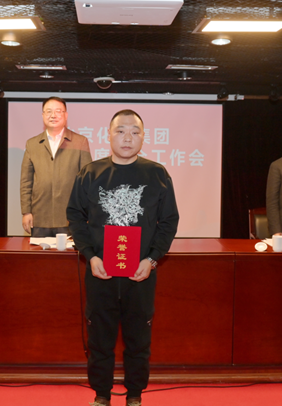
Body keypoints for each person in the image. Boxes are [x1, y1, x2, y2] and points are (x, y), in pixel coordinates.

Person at [67, 109, 179, 406]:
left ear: (143, 137)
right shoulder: (90, 173)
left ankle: (134, 394)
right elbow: (75, 216)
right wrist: (90, 256)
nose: (127, 138)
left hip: (140, 273)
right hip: (100, 271)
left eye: (134, 132)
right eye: (120, 131)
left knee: (138, 340)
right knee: (100, 339)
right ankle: (102, 394)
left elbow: (169, 221)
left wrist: (151, 259)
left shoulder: (157, 174)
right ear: (108, 135)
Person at [20, 96, 92, 237]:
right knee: (39, 252)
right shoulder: (32, 144)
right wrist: (26, 212)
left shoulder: (80, 142)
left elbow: (87, 181)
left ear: (66, 115)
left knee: (70, 252)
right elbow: (26, 181)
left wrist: (87, 212)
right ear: (42, 115)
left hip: (71, 217)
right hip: (39, 217)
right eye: (48, 111)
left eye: (58, 111)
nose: (53, 115)